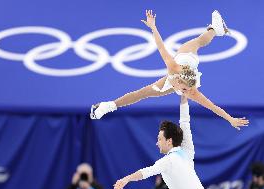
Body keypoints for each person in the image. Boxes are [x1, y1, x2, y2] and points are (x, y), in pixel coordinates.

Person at [90, 10, 249, 130]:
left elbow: (212, 107)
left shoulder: (192, 90)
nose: (187, 92)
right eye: (185, 89)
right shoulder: (173, 67)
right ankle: (107, 106)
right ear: (179, 82)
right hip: (185, 57)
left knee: (198, 44)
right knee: (141, 93)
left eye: (187, 90)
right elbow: (160, 46)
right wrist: (153, 26)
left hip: (188, 68)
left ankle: (215, 29)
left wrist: (230, 119)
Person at [113, 96, 206, 189]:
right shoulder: (187, 150)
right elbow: (185, 122)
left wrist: (126, 179)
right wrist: (184, 97)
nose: (157, 143)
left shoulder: (168, 161)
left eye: (160, 139)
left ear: (169, 141)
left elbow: (146, 172)